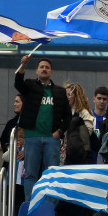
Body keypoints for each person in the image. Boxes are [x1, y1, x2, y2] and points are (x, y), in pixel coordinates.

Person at [15, 55, 71, 201]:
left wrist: (59, 132)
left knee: (52, 175)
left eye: (47, 67)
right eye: (41, 67)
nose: (44, 69)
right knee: (31, 174)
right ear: (36, 71)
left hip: (52, 139)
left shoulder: (59, 91)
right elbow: (17, 83)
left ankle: (50, 208)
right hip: (32, 136)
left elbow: (68, 116)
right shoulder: (30, 86)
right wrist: (22, 66)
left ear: (51, 72)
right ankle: (30, 205)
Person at [63, 82, 94, 165]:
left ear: (76, 96)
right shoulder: (63, 111)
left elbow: (88, 132)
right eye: (65, 95)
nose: (67, 97)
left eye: (69, 95)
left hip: (80, 152)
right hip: (65, 151)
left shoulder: (83, 112)